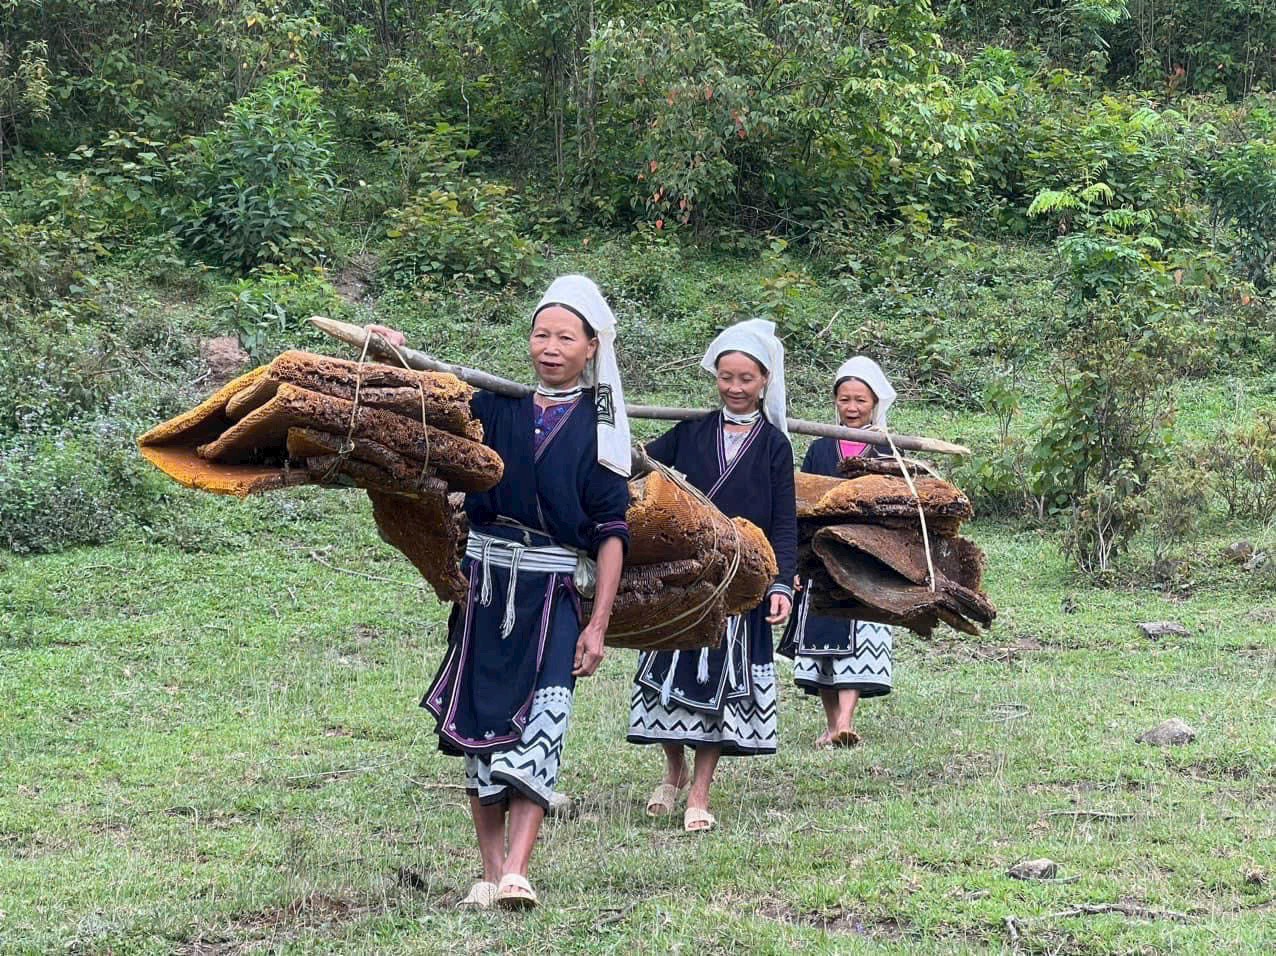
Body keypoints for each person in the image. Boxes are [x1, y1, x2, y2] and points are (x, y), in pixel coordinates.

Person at [373, 274, 631, 909]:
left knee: (546, 716)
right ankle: (488, 873)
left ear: (592, 346)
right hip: (484, 584)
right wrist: (391, 352)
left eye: (565, 337)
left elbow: (610, 534)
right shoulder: (496, 405)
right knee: (480, 721)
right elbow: (426, 402)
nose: (549, 346)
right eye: (541, 333)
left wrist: (598, 623)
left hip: (553, 589)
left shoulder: (603, 428)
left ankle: (519, 869)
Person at [627, 319, 797, 832]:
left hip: (739, 582)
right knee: (667, 678)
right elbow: (639, 463)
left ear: (765, 381)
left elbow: (785, 520)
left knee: (722, 686)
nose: (735, 388)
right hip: (683, 581)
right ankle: (673, 770)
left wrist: (781, 582)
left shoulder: (773, 446)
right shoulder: (691, 433)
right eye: (726, 377)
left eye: (746, 378)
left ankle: (701, 789)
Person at [778, 356, 897, 747]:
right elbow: (802, 503)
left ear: (875, 402)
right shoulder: (819, 449)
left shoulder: (887, 450)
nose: (851, 407)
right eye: (845, 399)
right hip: (820, 557)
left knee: (859, 633)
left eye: (860, 400)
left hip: (866, 559)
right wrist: (794, 560)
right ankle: (833, 726)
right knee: (820, 641)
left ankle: (846, 720)